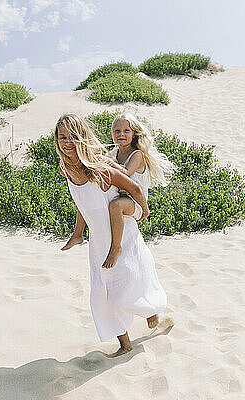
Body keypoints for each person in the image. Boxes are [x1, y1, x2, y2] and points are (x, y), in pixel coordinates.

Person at [55, 113, 169, 357]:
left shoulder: (101, 167)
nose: (66, 142)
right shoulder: (66, 169)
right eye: (62, 137)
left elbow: (135, 188)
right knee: (103, 294)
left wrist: (143, 212)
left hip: (121, 236)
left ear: (82, 138)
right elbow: (82, 202)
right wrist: (77, 233)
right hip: (98, 241)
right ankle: (125, 344)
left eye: (72, 137)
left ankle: (152, 314)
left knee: (128, 285)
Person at [61, 113, 176, 271]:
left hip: (135, 201)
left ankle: (116, 248)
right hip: (122, 196)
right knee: (88, 198)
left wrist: (145, 208)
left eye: (126, 131)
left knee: (116, 206)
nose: (121, 134)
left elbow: (126, 174)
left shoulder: (138, 155)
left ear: (134, 133)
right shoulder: (114, 153)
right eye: (117, 131)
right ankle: (77, 234)